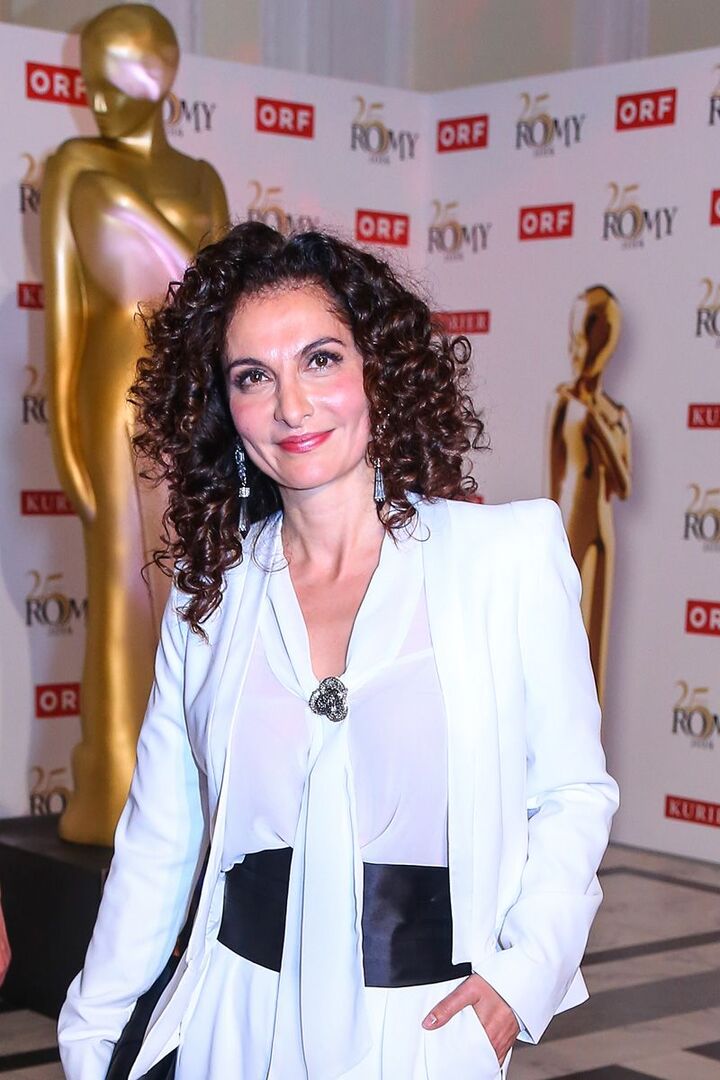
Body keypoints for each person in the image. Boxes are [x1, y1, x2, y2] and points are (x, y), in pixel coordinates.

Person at [58, 222, 619, 1079]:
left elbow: (574, 792)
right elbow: (158, 841)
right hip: (234, 1023)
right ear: (223, 406)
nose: (291, 406)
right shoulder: (211, 596)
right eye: (254, 376)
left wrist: (523, 976)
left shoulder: (504, 558)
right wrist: (93, 1039)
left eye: (320, 360)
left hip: (423, 1030)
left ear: (377, 372)